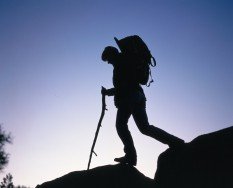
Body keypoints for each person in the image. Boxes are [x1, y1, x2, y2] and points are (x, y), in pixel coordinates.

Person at [101, 46, 184, 166]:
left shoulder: (120, 64)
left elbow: (123, 87)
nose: (108, 62)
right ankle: (175, 142)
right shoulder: (126, 61)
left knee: (121, 125)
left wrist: (108, 92)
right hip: (138, 96)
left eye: (108, 59)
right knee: (144, 127)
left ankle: (131, 156)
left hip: (129, 98)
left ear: (112, 54)